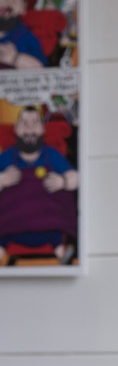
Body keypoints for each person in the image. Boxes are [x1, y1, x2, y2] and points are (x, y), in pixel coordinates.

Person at [0, 104, 78, 263]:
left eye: (35, 123)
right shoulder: (6, 157)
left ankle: (61, 252)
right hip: (10, 225)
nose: (30, 130)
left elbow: (77, 178)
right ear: (16, 129)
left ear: (43, 129)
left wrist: (63, 181)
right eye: (24, 124)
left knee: (57, 234)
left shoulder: (53, 155)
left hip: (49, 224)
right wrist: (2, 179)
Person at [0, 0, 46, 69]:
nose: (8, 1)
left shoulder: (26, 37)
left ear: (24, 7)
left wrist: (14, 58)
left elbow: (40, 68)